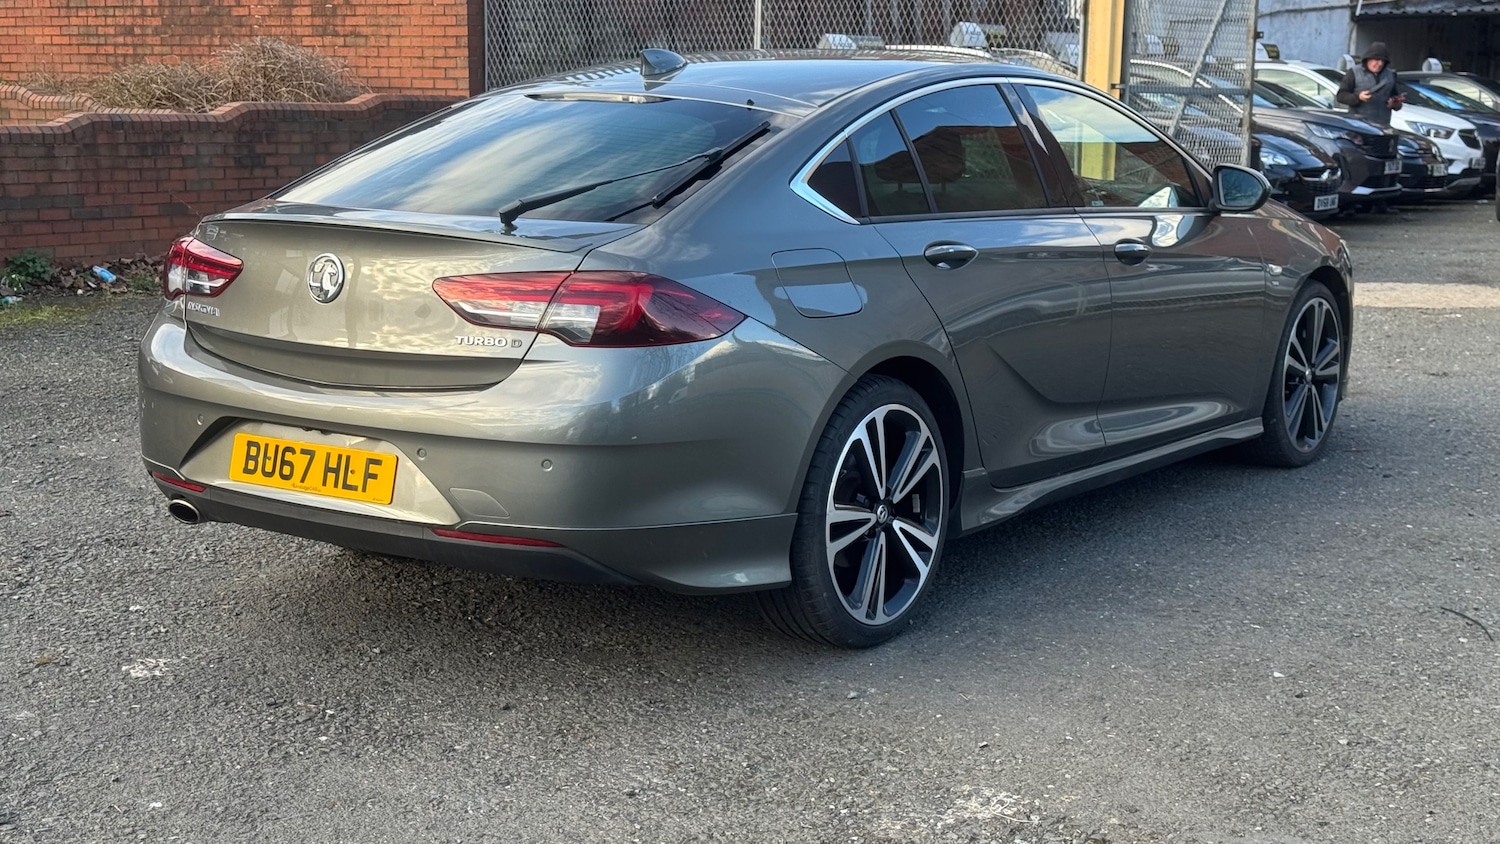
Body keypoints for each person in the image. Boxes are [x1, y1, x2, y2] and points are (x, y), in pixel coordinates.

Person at [1337, 42, 1405, 214]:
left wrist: (1395, 103)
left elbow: (1395, 98)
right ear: (1367, 60)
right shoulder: (1354, 73)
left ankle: (1381, 203)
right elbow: (1341, 96)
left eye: (1382, 61)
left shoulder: (1390, 76)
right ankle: (1352, 203)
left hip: (1383, 128)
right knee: (1359, 165)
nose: (1379, 63)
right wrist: (1358, 97)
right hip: (1359, 128)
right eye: (1375, 60)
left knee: (1384, 165)